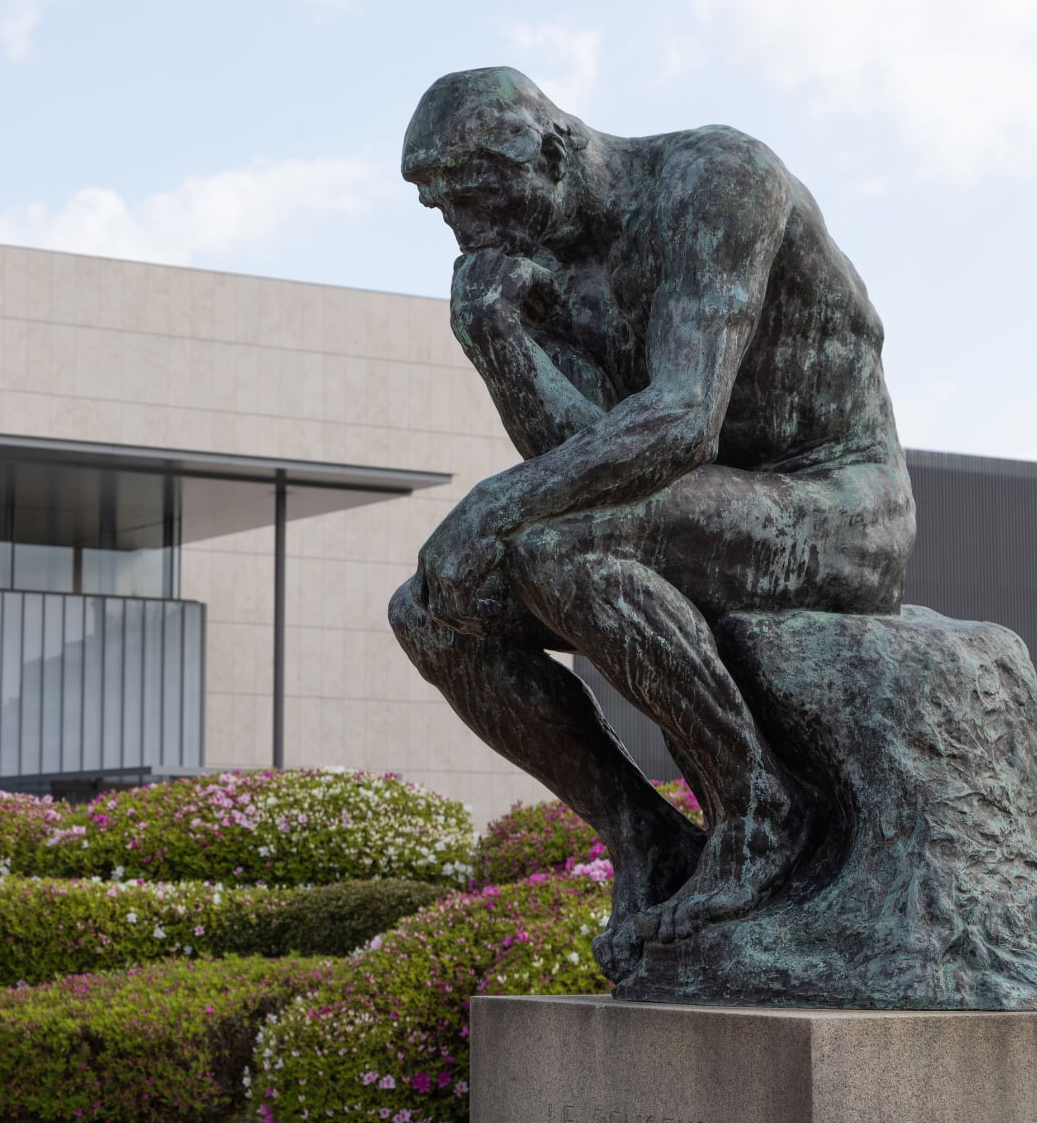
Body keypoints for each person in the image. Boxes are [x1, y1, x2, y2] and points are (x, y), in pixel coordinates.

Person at [390, 66, 916, 980]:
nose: (469, 234)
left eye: (480, 200)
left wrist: (495, 501)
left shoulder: (716, 179)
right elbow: (584, 450)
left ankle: (761, 810)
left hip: (835, 505)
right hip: (703, 506)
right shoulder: (540, 269)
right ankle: (645, 838)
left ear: (553, 148)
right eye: (446, 216)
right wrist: (499, 341)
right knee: (430, 612)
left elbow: (680, 420)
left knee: (551, 543)